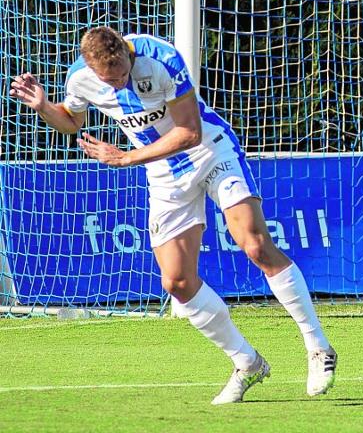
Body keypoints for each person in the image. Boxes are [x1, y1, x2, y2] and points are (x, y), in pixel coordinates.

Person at [8, 28, 336, 405]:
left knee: (255, 244)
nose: (118, 83)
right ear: (92, 69)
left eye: (122, 74)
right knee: (177, 282)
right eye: (109, 80)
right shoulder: (80, 77)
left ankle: (318, 347)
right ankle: (246, 362)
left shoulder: (161, 59)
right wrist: (44, 107)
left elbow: (190, 133)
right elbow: (72, 121)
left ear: (127, 55)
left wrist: (126, 158)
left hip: (210, 153)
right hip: (163, 175)